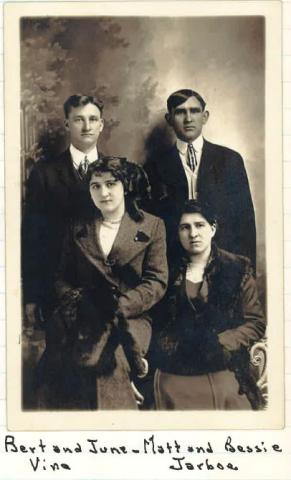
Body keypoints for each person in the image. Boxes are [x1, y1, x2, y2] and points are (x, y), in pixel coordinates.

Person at [36, 156, 168, 409]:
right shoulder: (78, 226)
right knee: (57, 363)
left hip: (131, 317)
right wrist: (76, 302)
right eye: (96, 186)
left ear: (125, 186)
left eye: (111, 184)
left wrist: (120, 306)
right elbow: (61, 277)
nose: (103, 192)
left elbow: (157, 280)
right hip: (82, 314)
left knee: (110, 357)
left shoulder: (152, 226)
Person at [153, 200, 265, 410]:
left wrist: (220, 341)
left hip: (225, 369)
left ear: (213, 228)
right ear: (178, 233)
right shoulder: (166, 271)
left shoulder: (237, 267)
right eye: (185, 227)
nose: (192, 233)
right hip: (177, 372)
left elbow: (255, 322)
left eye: (199, 225)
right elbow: (157, 323)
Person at [145, 89, 256, 267]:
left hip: (223, 259)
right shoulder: (154, 165)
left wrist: (245, 271)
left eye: (194, 111)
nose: (188, 119)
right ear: (169, 119)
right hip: (173, 262)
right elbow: (150, 224)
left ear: (204, 116)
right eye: (180, 112)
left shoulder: (229, 160)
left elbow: (245, 220)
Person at [22, 94, 105, 327]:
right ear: (67, 124)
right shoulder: (44, 173)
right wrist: (32, 297)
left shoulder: (117, 171)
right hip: (57, 284)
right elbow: (32, 239)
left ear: (101, 124)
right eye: (79, 120)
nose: (87, 126)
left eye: (93, 119)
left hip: (105, 284)